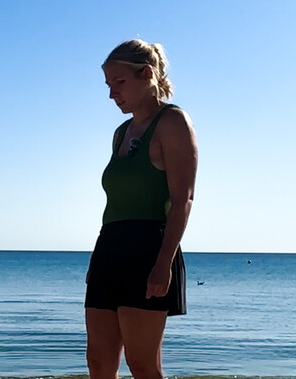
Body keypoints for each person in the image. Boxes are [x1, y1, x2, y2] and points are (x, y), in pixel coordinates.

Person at [84, 40, 197, 379]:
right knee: (99, 362)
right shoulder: (121, 133)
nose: (112, 94)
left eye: (119, 82)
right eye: (108, 85)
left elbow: (183, 199)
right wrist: (97, 260)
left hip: (148, 248)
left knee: (142, 365)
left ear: (147, 74)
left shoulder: (172, 122)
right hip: (109, 247)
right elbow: (116, 202)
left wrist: (163, 264)